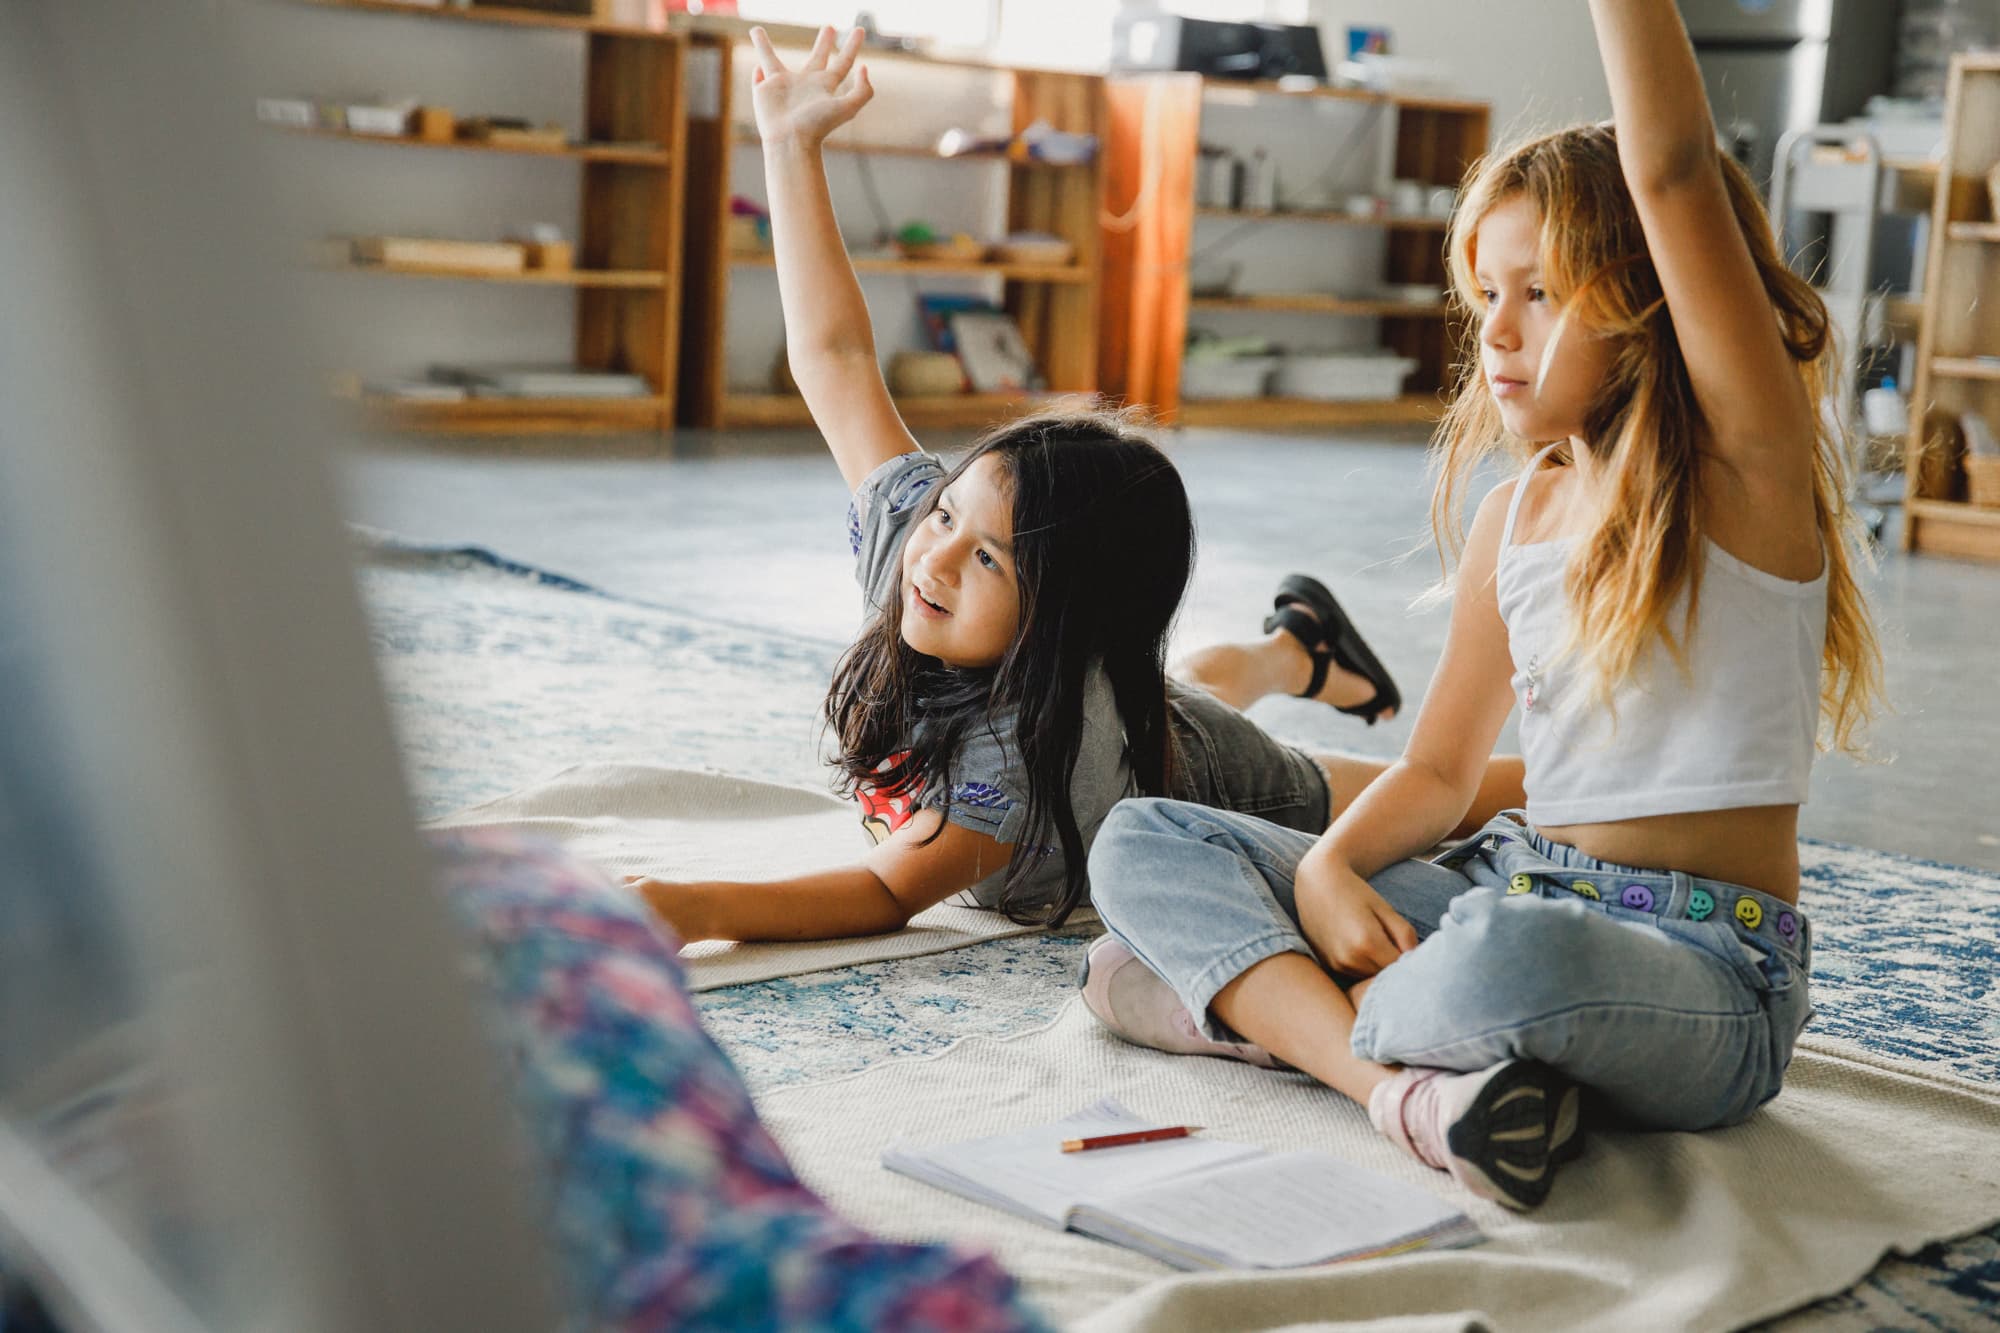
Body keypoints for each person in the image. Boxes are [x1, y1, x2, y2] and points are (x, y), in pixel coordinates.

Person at [1077, 0, 1883, 1213]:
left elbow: (1666, 173)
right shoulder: (1517, 515)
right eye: (1483, 296)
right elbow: (1440, 772)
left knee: (1483, 961)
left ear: (1645, 297)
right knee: (1142, 841)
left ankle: (1274, 1019)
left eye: (1540, 294)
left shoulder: (1742, 473)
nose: (1495, 335)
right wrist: (1328, 873)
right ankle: (1413, 1092)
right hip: (1507, 884)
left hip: (1705, 970)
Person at [625, 27, 1524, 947]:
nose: (935, 554)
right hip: (1127, 717)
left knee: (1415, 797)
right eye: (946, 513)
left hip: (1203, 772)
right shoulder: (923, 551)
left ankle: (1350, 681)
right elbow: (838, 358)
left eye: (986, 558)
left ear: (1064, 626)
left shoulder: (1020, 748)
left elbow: (882, 891)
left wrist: (691, 905)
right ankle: (1295, 650)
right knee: (1173, 697)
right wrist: (788, 143)